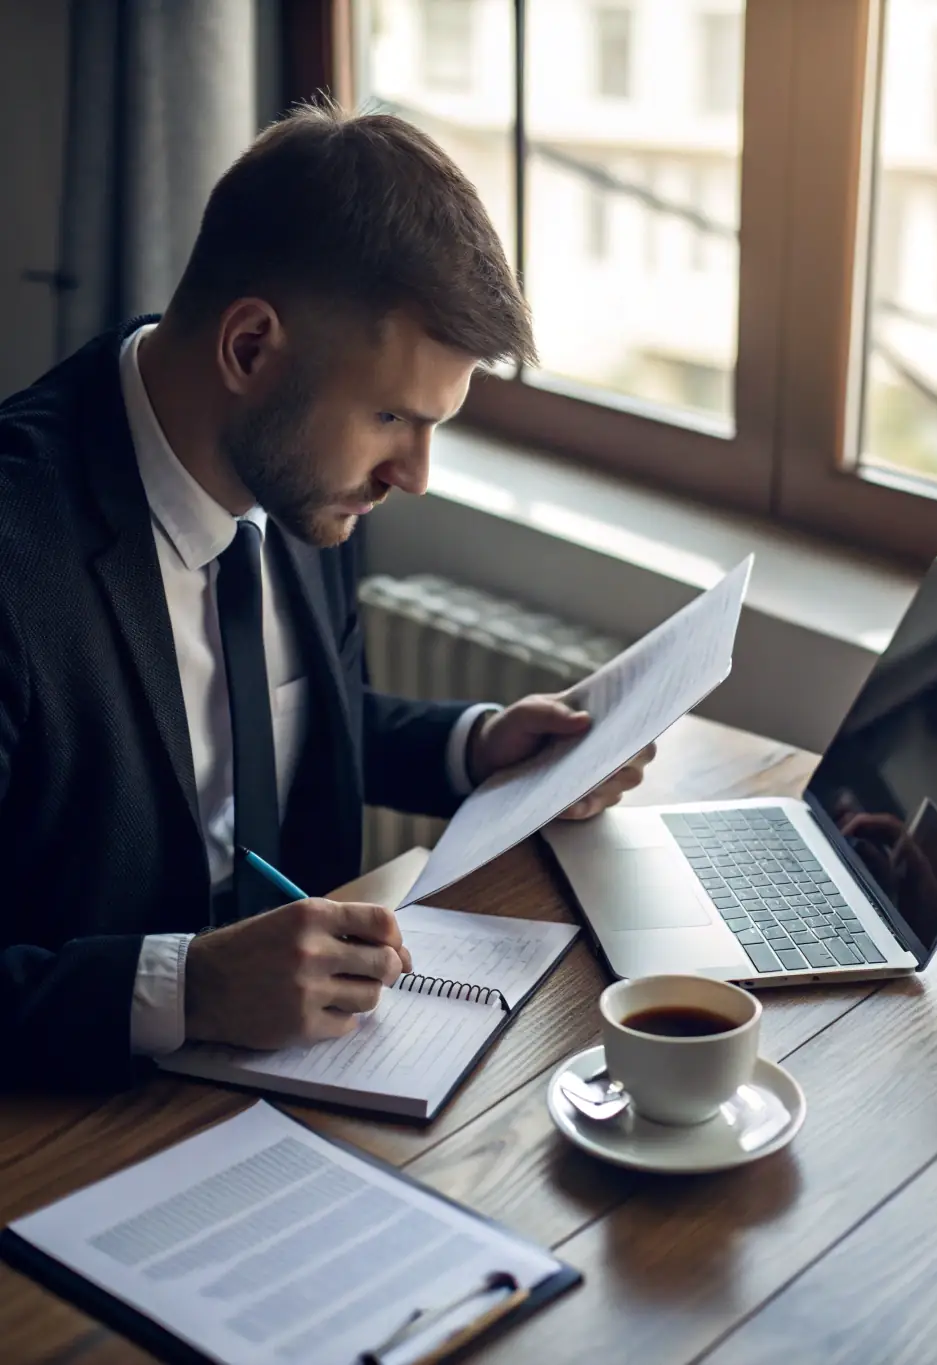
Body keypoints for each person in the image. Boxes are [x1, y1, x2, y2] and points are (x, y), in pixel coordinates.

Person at [0, 105, 654, 1091]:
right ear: (252, 349)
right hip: (68, 1113)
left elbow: (270, 715)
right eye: (392, 415)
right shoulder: (15, 557)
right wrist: (189, 989)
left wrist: (472, 745)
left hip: (307, 1066)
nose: (416, 474)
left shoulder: (297, 477)